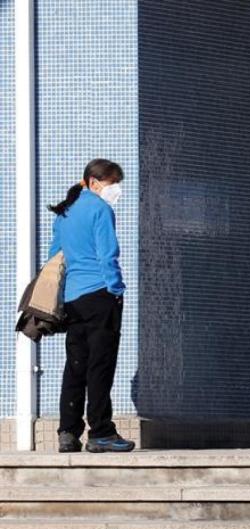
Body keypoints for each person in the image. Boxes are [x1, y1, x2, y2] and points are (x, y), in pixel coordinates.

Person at [48, 159, 135, 453]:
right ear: (95, 182)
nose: (117, 190)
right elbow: (108, 254)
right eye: (113, 184)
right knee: (100, 365)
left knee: (75, 367)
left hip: (74, 299)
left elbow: (54, 258)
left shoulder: (64, 213)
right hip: (100, 295)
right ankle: (101, 432)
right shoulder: (100, 209)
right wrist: (116, 289)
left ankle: (68, 432)